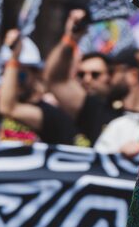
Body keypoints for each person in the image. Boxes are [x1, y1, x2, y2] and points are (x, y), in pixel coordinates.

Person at [44, 9, 130, 145]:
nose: (87, 79)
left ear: (110, 77)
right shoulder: (90, 109)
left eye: (95, 75)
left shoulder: (128, 108)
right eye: (81, 74)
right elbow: (55, 79)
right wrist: (70, 38)